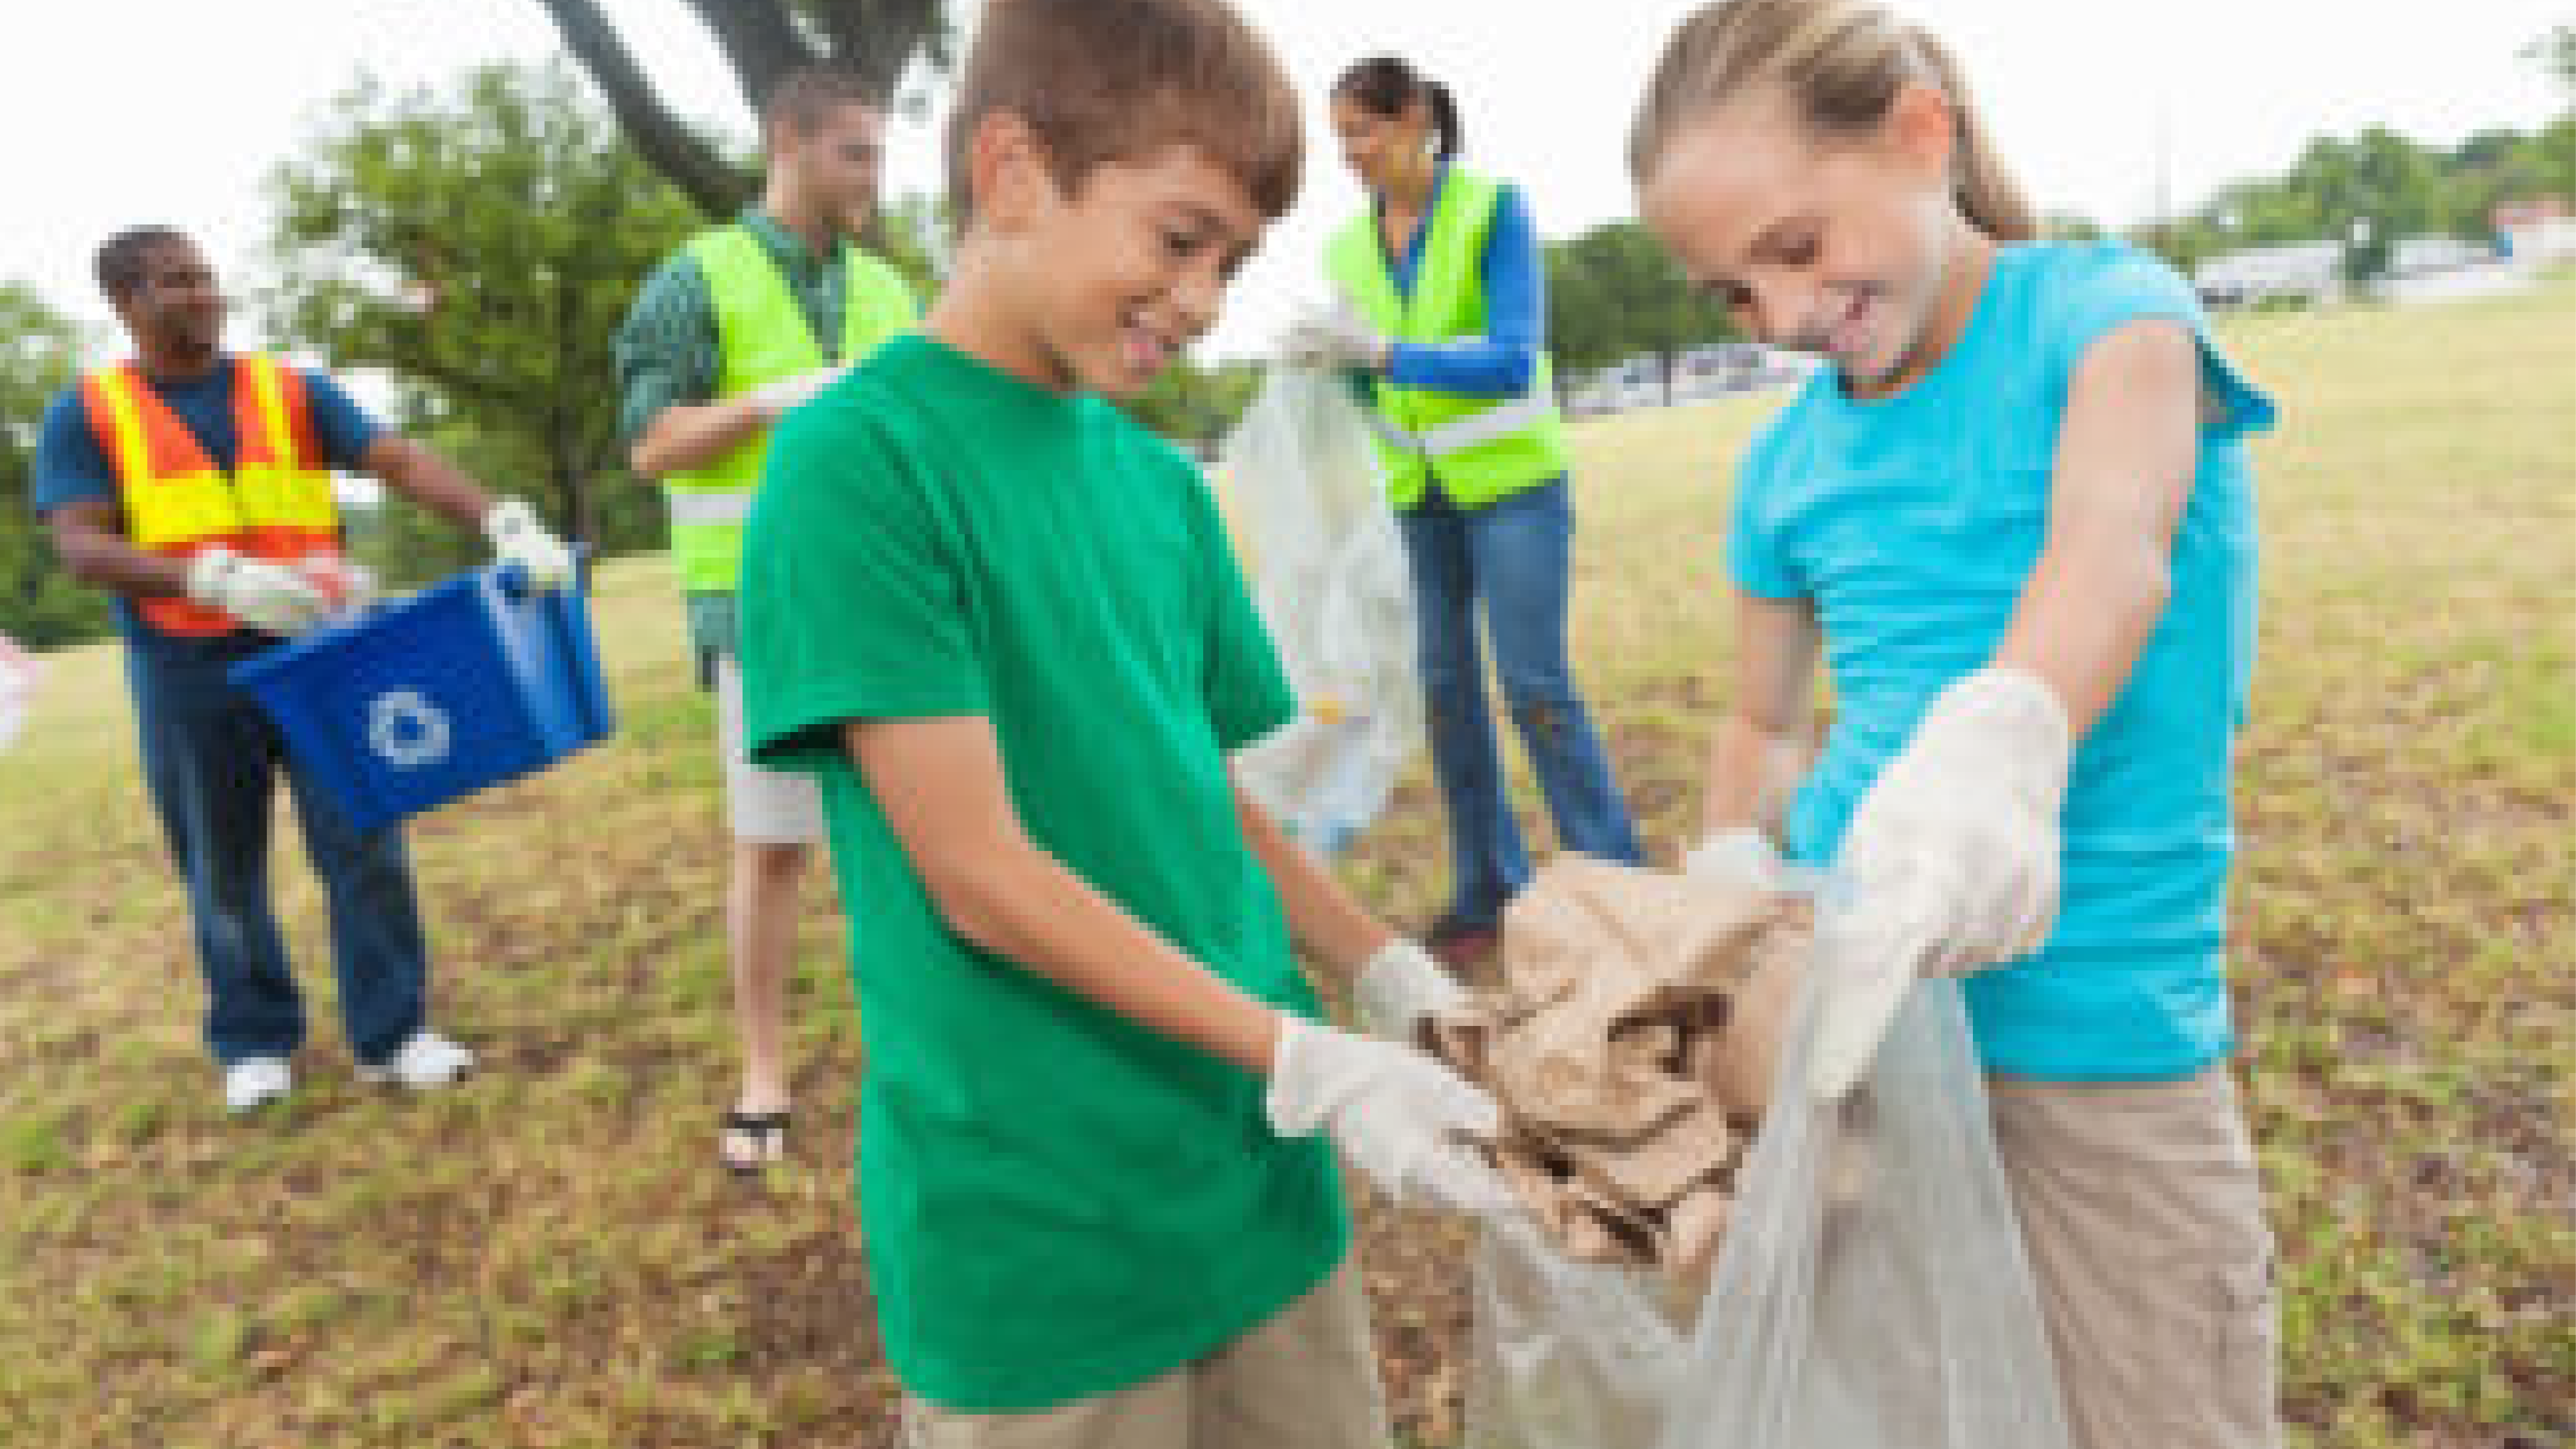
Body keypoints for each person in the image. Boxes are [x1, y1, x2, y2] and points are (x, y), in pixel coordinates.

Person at [736, 1, 1496, 1441]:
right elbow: (984, 880)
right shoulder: (860, 463)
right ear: (1013, 170)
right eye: (1178, 238)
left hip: (1261, 1206)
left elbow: (1200, 803)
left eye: (1238, 261)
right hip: (1046, 1252)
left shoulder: (1157, 487)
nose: (1206, 300)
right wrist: (1303, 1059)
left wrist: (1383, 973)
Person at [1631, 3, 2281, 1446]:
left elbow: (2113, 551)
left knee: (2157, 1408)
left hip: (2098, 1051)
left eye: (1795, 249)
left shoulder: (2110, 319)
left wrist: (2002, 749)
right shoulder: (1785, 465)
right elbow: (1764, 719)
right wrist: (1736, 859)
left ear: (1918, 133)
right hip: (1863, 1048)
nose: (1786, 318)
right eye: (1734, 294)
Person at [33, 226, 575, 1113]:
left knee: (364, 842)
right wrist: (204, 575)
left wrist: (499, 516)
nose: (203, 292)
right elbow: (81, 544)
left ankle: (395, 1034)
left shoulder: (288, 389)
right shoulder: (87, 413)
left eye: (207, 274)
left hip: (320, 656)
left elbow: (395, 460)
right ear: (127, 304)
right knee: (223, 866)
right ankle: (253, 1042)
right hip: (187, 666)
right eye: (177, 282)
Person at [616, 64, 921, 1174]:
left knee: (913, 838)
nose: (873, 176)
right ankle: (762, 1072)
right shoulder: (693, 280)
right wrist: (763, 406)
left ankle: (920, 1051)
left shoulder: (889, 288)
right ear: (785, 142)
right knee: (776, 850)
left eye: (880, 153)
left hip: (890, 598)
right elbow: (650, 446)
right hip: (761, 612)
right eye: (856, 152)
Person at [1284, 56, 1644, 970]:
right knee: (1445, 695)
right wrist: (1337, 367)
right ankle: (1489, 888)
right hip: (1421, 502)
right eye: (1341, 140)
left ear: (1413, 120)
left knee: (1534, 687)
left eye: (1360, 133)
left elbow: (1512, 358)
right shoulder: (1344, 249)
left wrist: (1385, 351)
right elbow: (1380, 384)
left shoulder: (1492, 210)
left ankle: (1616, 886)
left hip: (1514, 489)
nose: (1350, 156)